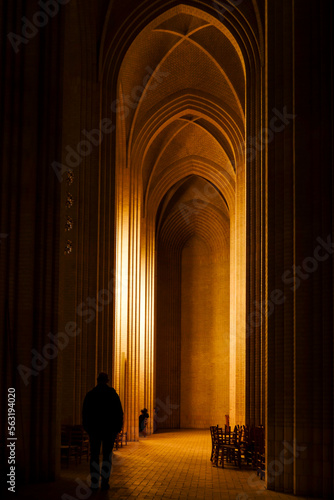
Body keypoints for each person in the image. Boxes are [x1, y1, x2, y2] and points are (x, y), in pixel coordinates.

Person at [82, 372, 123, 491]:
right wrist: (117, 429)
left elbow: (85, 413)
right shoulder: (112, 395)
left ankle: (94, 483)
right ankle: (105, 483)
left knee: (94, 456)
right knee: (107, 457)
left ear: (97, 380)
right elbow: (119, 413)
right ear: (107, 381)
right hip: (109, 431)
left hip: (94, 430)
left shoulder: (91, 395)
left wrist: (88, 428)